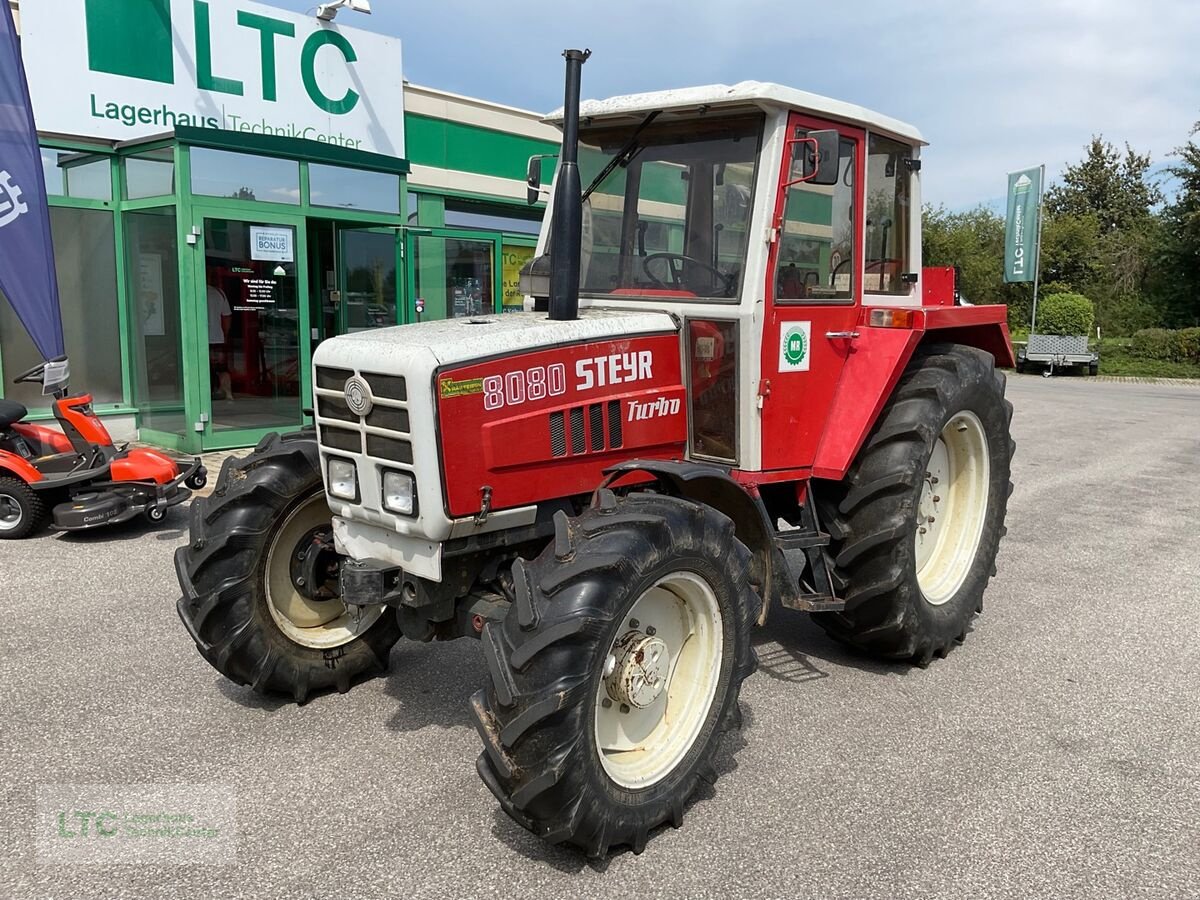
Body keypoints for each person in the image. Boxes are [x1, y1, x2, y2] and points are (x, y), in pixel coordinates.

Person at [207, 270, 234, 402]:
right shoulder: (219, 293)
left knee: (204, 367)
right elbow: (227, 316)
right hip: (217, 336)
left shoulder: (192, 291)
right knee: (222, 368)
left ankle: (209, 393)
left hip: (199, 338)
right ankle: (228, 394)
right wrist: (225, 333)